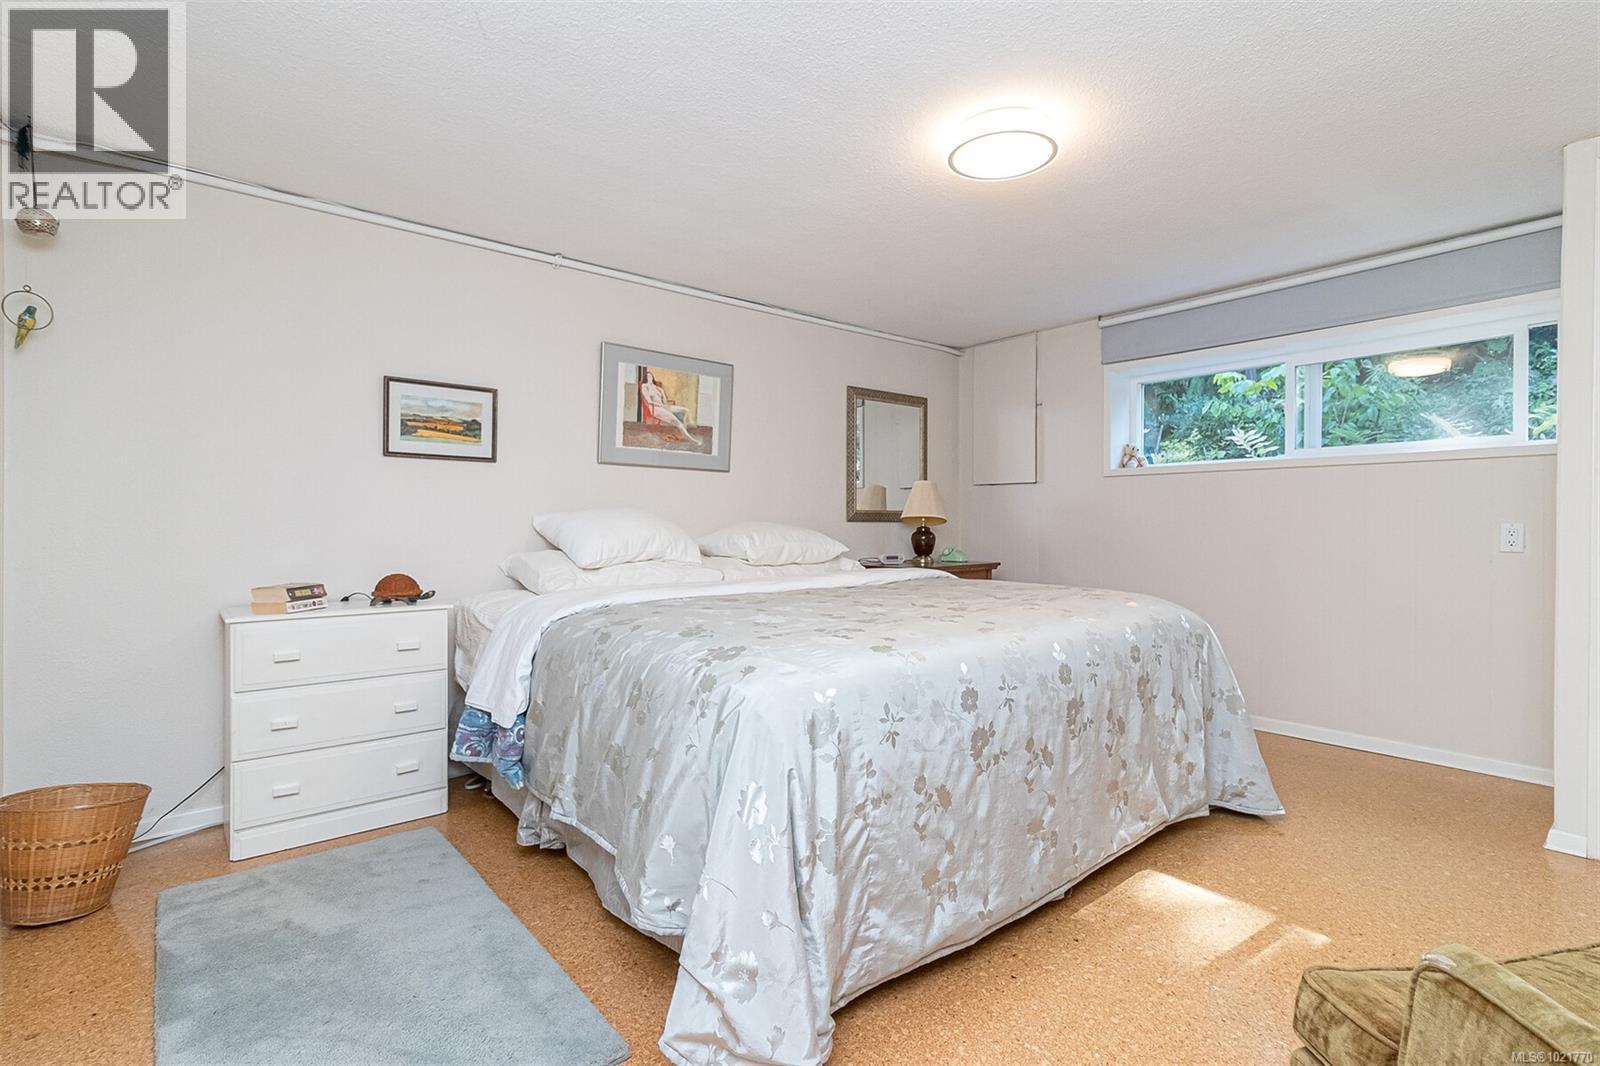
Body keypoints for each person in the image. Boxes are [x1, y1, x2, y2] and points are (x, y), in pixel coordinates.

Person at [639, 371, 697, 443]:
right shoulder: (645, 386)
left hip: (663, 406)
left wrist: (662, 393)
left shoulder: (658, 388)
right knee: (677, 421)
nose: (650, 378)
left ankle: (683, 430)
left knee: (685, 411)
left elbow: (665, 400)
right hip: (655, 408)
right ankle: (690, 438)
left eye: (651, 376)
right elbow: (649, 401)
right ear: (646, 378)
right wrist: (663, 406)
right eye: (648, 376)